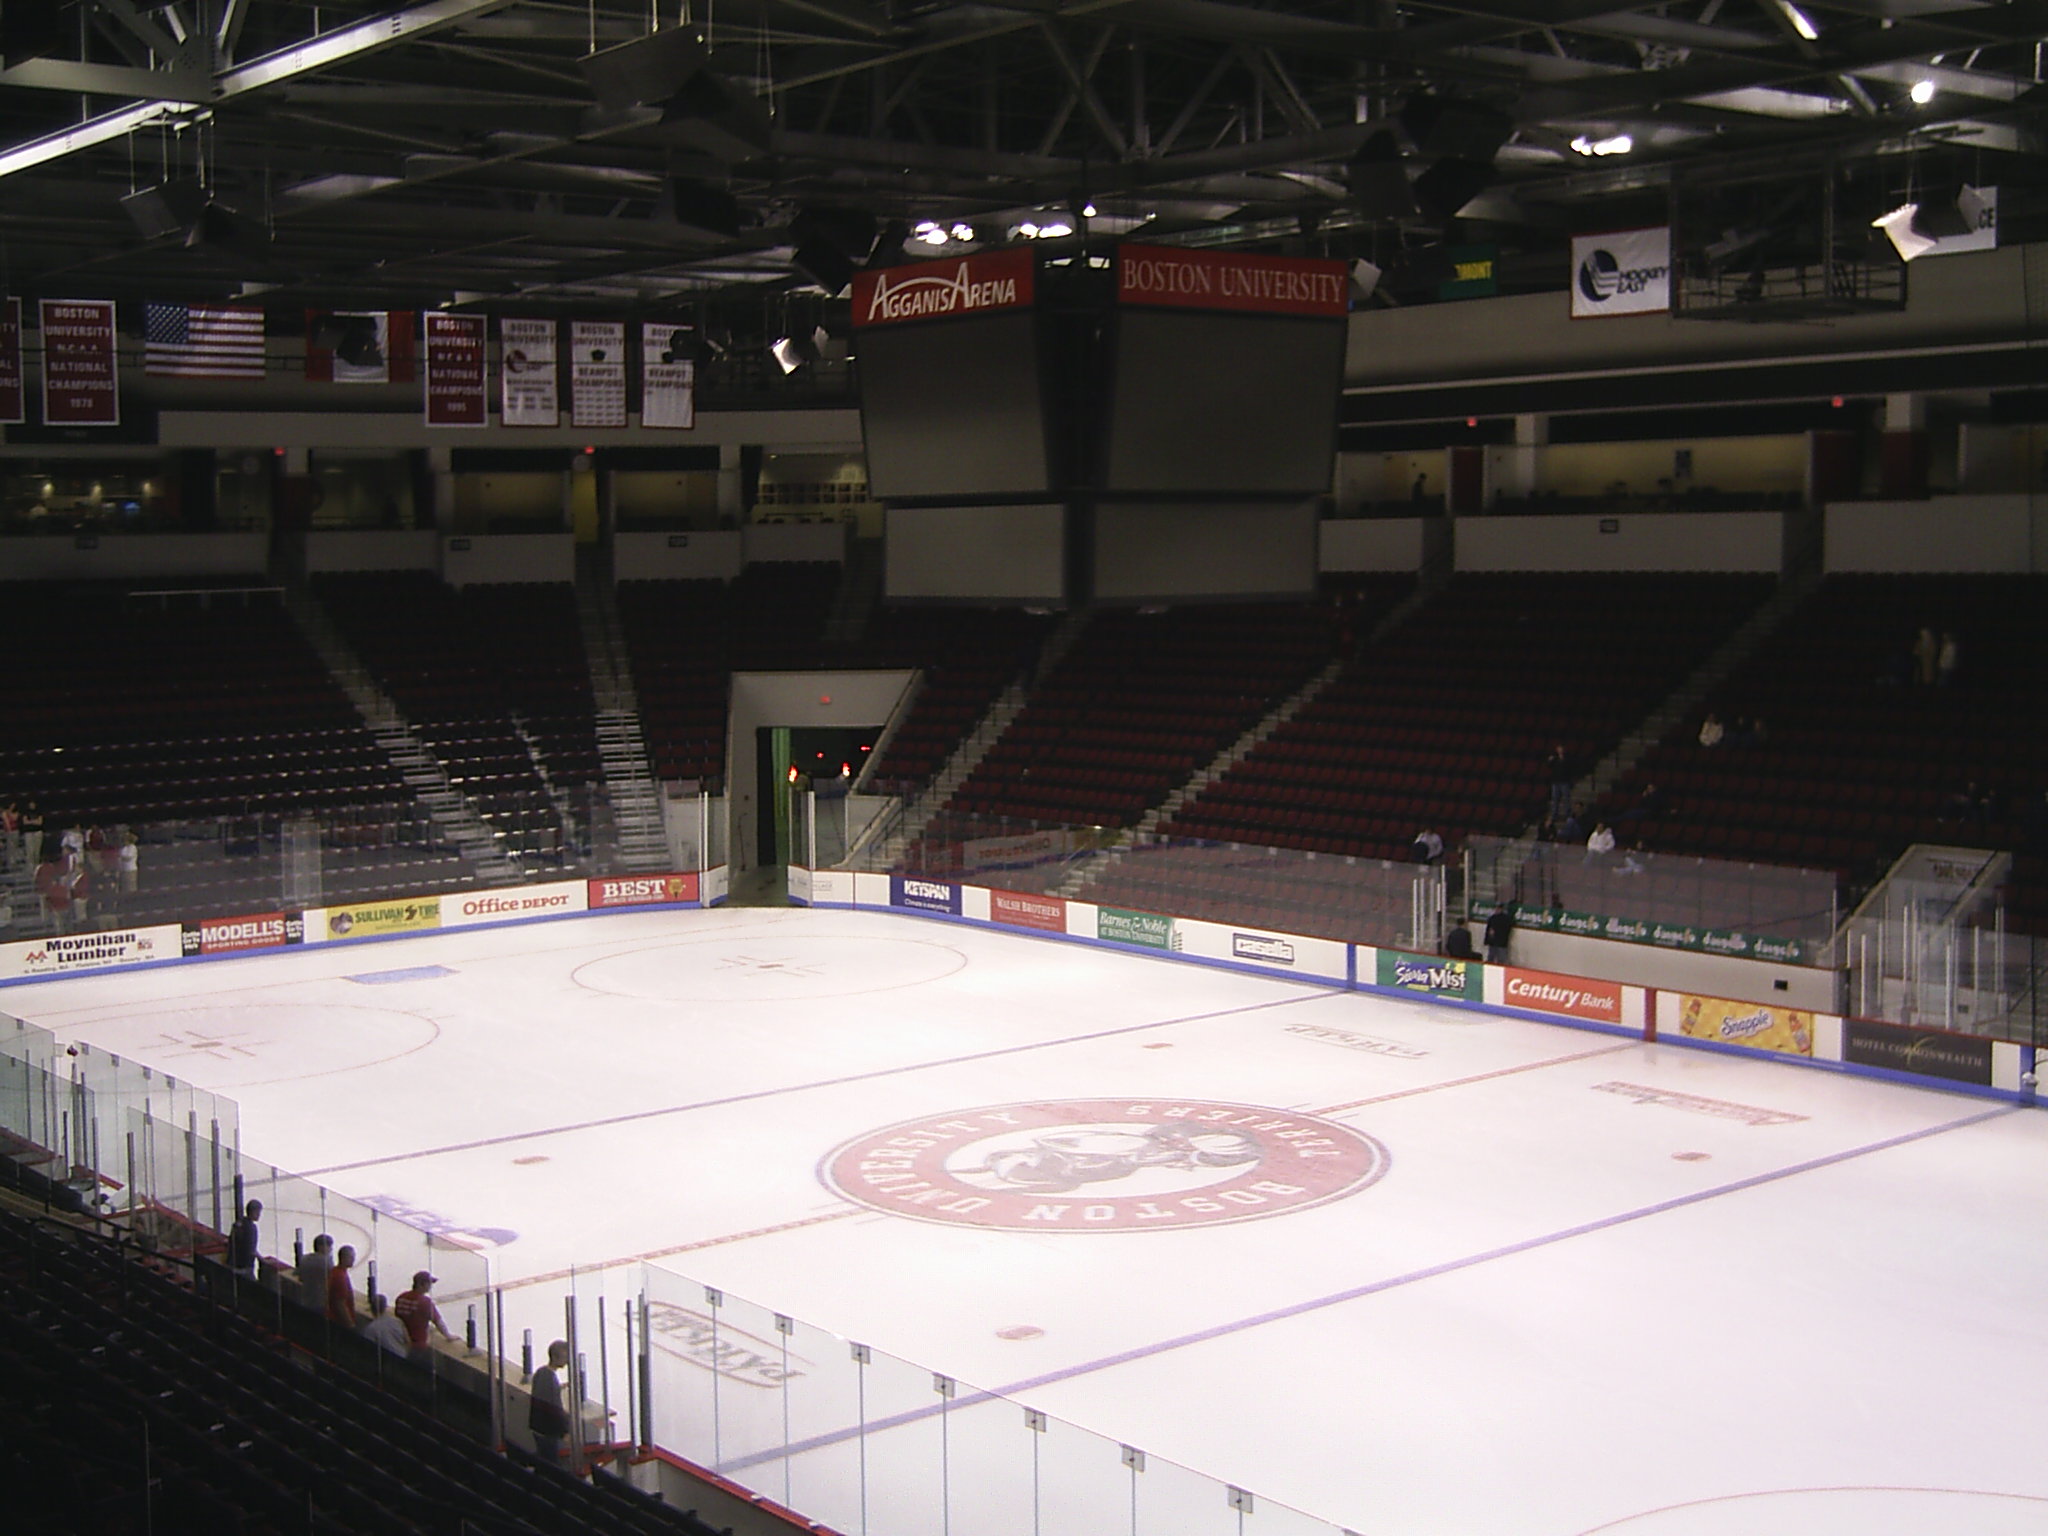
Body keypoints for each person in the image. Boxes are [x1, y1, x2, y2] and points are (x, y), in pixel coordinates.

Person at [394, 1270, 455, 1361]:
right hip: (419, 1345)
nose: (430, 1287)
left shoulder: (401, 1297)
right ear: (421, 1284)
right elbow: (438, 1322)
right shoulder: (425, 1302)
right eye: (429, 1284)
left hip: (401, 1341)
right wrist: (448, 1336)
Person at [530, 1340, 572, 1464]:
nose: (567, 1361)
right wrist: (564, 1431)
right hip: (548, 1430)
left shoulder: (541, 1372)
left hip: (537, 1425)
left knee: (542, 1459)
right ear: (554, 1357)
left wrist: (560, 1387)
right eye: (565, 1357)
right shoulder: (551, 1380)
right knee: (551, 1462)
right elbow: (555, 1408)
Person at [363, 1293, 410, 1359]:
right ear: (385, 1307)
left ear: (372, 1310)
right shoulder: (397, 1321)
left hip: (386, 1360)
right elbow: (408, 1341)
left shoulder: (370, 1328)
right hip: (401, 1357)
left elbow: (368, 1349)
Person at [297, 1233, 334, 1311]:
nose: (331, 1249)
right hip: (322, 1303)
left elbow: (300, 1278)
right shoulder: (327, 1262)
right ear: (321, 1247)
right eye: (329, 1246)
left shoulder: (304, 1259)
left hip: (306, 1300)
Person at [227, 1198, 263, 1279]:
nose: (259, 1215)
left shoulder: (238, 1224)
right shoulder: (251, 1228)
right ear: (253, 1212)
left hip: (232, 1266)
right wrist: (262, 1260)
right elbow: (251, 1249)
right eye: (258, 1212)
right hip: (244, 1268)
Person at [326, 1244, 358, 1328]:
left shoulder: (336, 1271)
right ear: (344, 1258)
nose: (353, 1260)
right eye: (351, 1257)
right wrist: (350, 1323)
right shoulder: (340, 1277)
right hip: (339, 1322)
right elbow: (340, 1304)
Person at [1545, 744, 1574, 820]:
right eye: (1558, 749)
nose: (1560, 750)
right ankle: (1554, 814)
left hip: (1564, 781)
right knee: (1555, 799)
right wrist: (1549, 760)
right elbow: (1549, 766)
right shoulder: (1554, 758)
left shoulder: (1567, 758)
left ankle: (1568, 813)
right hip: (1555, 781)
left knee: (1566, 798)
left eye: (1561, 749)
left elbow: (1570, 767)